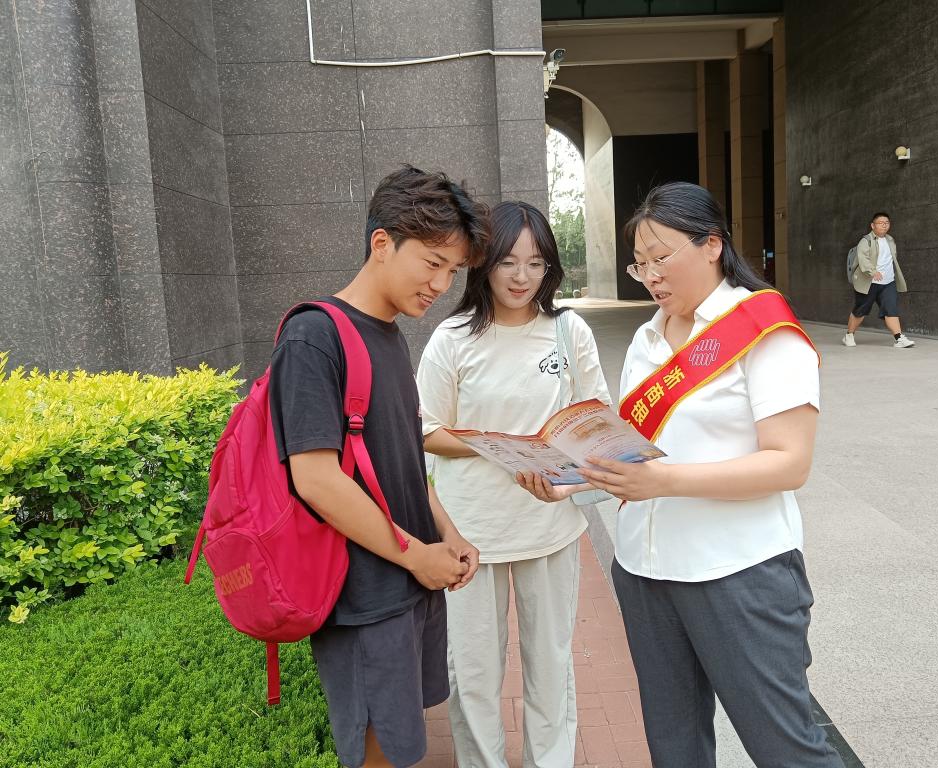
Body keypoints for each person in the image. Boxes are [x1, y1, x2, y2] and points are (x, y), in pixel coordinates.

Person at [519, 182, 843, 768]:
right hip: (644, 571)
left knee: (784, 747)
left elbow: (789, 462)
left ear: (712, 244)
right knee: (673, 745)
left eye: (661, 258)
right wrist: (571, 480)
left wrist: (666, 483)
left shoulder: (766, 332)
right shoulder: (648, 337)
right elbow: (635, 456)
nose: (650, 276)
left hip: (737, 572)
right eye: (639, 264)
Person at [268, 166, 488, 768]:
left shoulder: (389, 334)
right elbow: (316, 479)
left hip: (407, 581)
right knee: (379, 753)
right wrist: (415, 555)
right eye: (433, 262)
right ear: (382, 242)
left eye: (453, 270)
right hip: (365, 596)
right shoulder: (313, 338)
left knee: (401, 743)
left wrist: (447, 533)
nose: (441, 284)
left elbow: (403, 458)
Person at [416, 201, 612, 768]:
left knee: (550, 664)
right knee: (474, 671)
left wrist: (566, 478)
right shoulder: (453, 337)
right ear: (483, 264)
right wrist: (496, 445)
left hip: (550, 524)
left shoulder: (568, 331)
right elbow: (425, 430)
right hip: (471, 530)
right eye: (507, 261)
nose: (522, 277)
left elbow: (597, 420)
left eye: (536, 263)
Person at [843, 212, 914, 348]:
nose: (884, 225)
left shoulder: (890, 240)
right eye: (881, 223)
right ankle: (849, 335)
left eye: (887, 223)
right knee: (860, 310)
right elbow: (863, 258)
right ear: (872, 225)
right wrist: (872, 271)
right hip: (868, 282)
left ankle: (899, 338)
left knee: (891, 309)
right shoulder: (866, 241)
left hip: (888, 282)